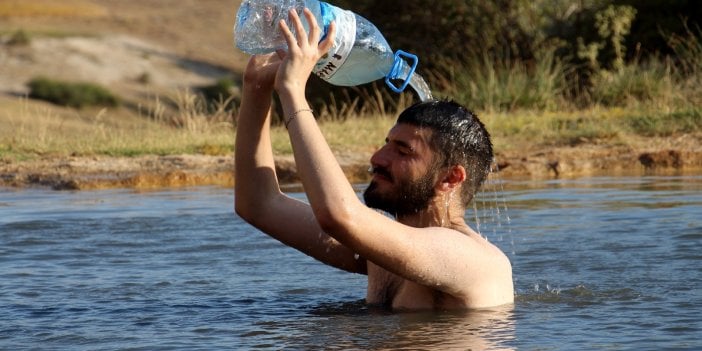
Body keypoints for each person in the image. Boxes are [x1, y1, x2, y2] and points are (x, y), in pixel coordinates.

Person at [234, 8, 513, 310]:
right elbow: (258, 204)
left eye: (403, 151)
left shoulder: (471, 259)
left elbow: (339, 217)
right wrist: (257, 88)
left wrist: (293, 92)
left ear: (450, 178)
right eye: (386, 144)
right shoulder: (382, 255)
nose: (378, 157)